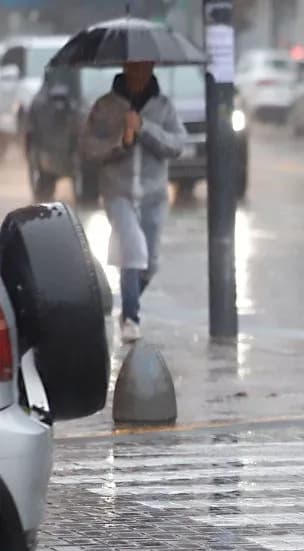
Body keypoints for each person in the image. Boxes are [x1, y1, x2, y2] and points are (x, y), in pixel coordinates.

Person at [82, 61, 186, 343]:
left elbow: (177, 144)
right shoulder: (105, 106)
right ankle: (131, 317)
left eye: (145, 66)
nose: (139, 72)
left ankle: (125, 302)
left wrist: (144, 128)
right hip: (118, 190)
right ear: (125, 67)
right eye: (134, 67)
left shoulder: (163, 106)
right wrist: (122, 141)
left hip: (154, 193)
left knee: (149, 262)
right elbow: (89, 146)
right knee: (132, 249)